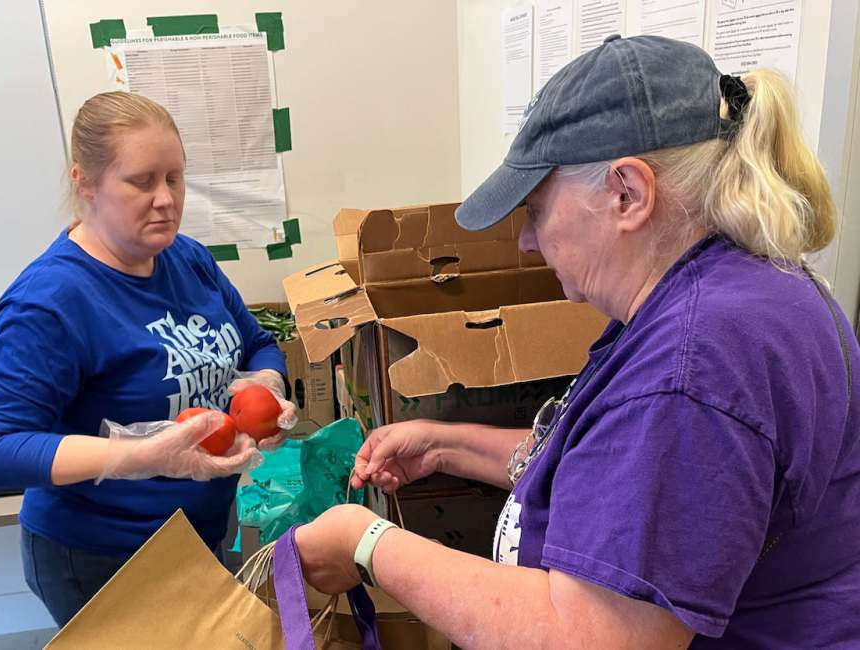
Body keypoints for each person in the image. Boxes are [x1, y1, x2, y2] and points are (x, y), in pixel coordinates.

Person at [292, 35, 860, 649]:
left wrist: (367, 543)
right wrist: (446, 446)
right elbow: (616, 469)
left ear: (627, 194)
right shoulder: (732, 293)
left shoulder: (693, 366)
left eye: (535, 210)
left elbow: (591, 635)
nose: (526, 243)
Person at [0, 91, 296, 627]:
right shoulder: (49, 303)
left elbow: (257, 342)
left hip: (201, 533)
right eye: (142, 181)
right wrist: (136, 457)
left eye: (175, 178)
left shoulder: (186, 259)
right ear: (86, 183)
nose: (165, 199)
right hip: (104, 559)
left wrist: (265, 385)